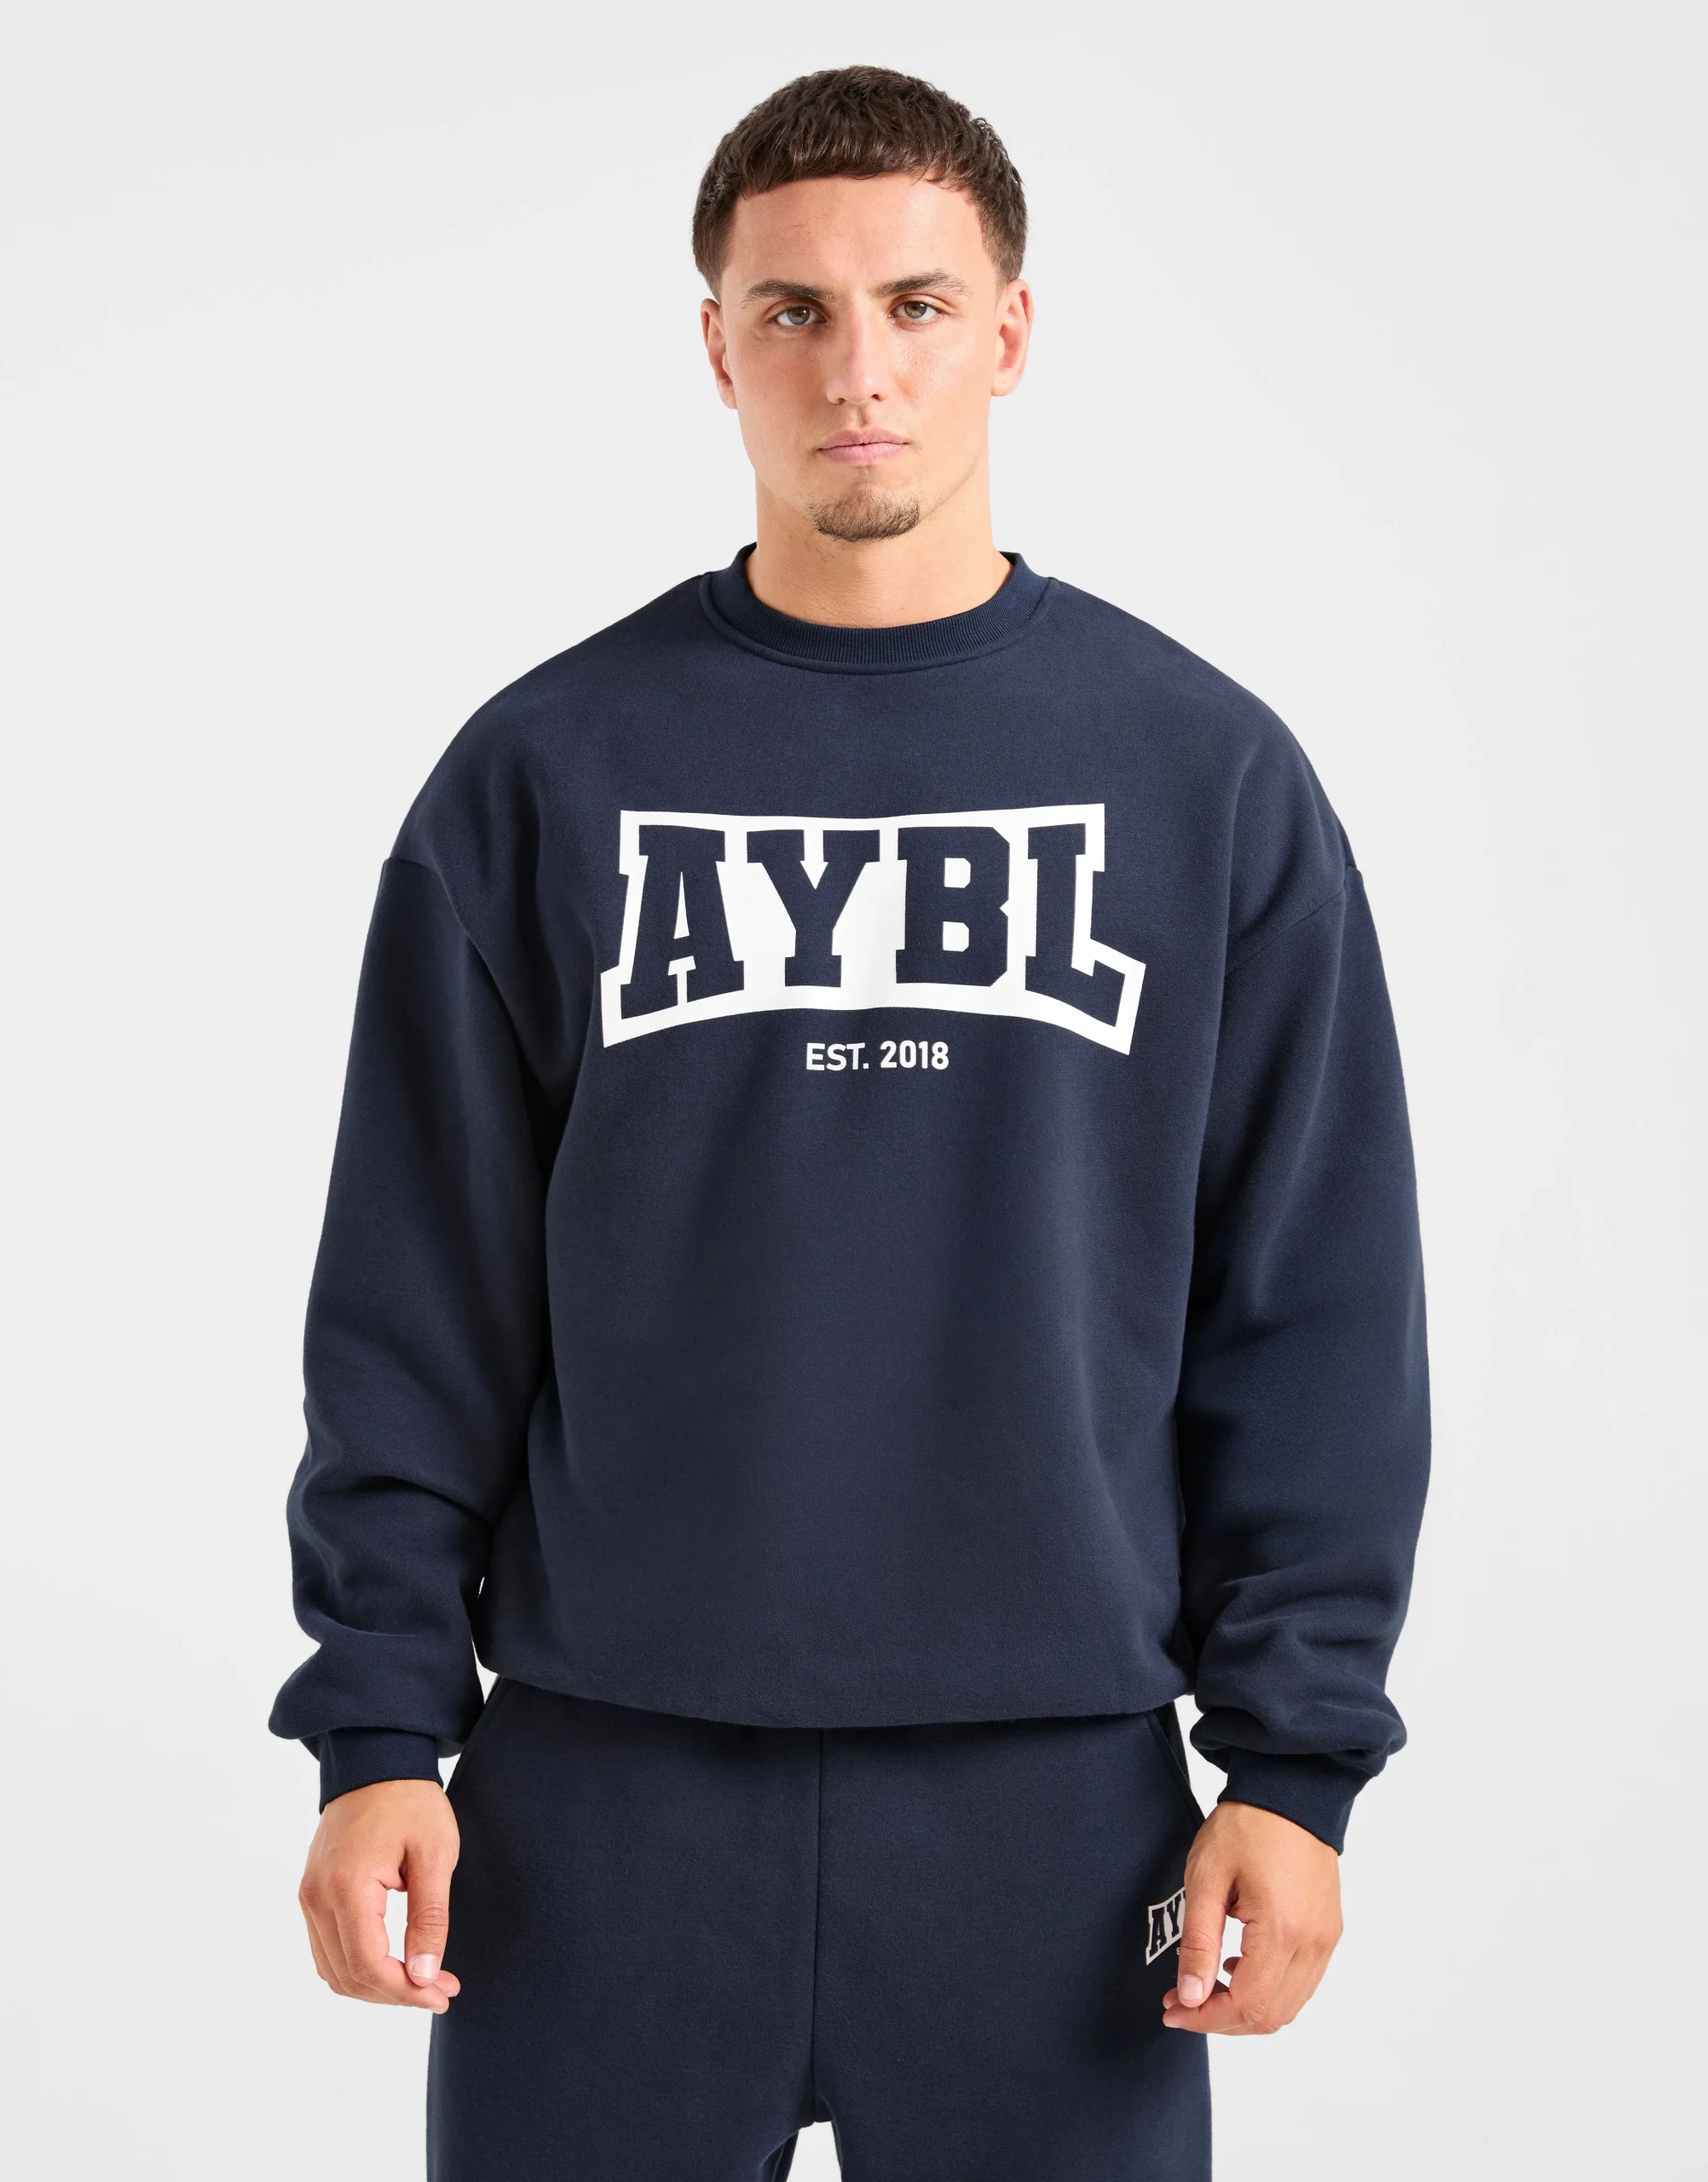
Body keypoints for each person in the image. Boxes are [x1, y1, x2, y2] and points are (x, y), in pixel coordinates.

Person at [270, 64, 1428, 2182]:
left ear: (1011, 331)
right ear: (716, 344)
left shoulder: (1203, 776)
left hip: (1053, 1807)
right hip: (603, 1794)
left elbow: (1314, 1306)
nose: (857, 370)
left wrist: (1294, 1763)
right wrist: (376, 1726)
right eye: (792, 310)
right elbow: (416, 1299)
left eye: (915, 304)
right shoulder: (542, 770)